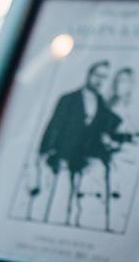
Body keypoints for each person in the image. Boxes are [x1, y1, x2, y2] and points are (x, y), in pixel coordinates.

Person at [36, 60, 124, 226]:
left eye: (104, 77)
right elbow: (54, 126)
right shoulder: (68, 99)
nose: (100, 80)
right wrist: (46, 152)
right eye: (97, 75)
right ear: (89, 74)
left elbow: (110, 126)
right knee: (59, 197)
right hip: (63, 156)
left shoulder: (102, 104)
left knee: (83, 201)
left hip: (85, 159)